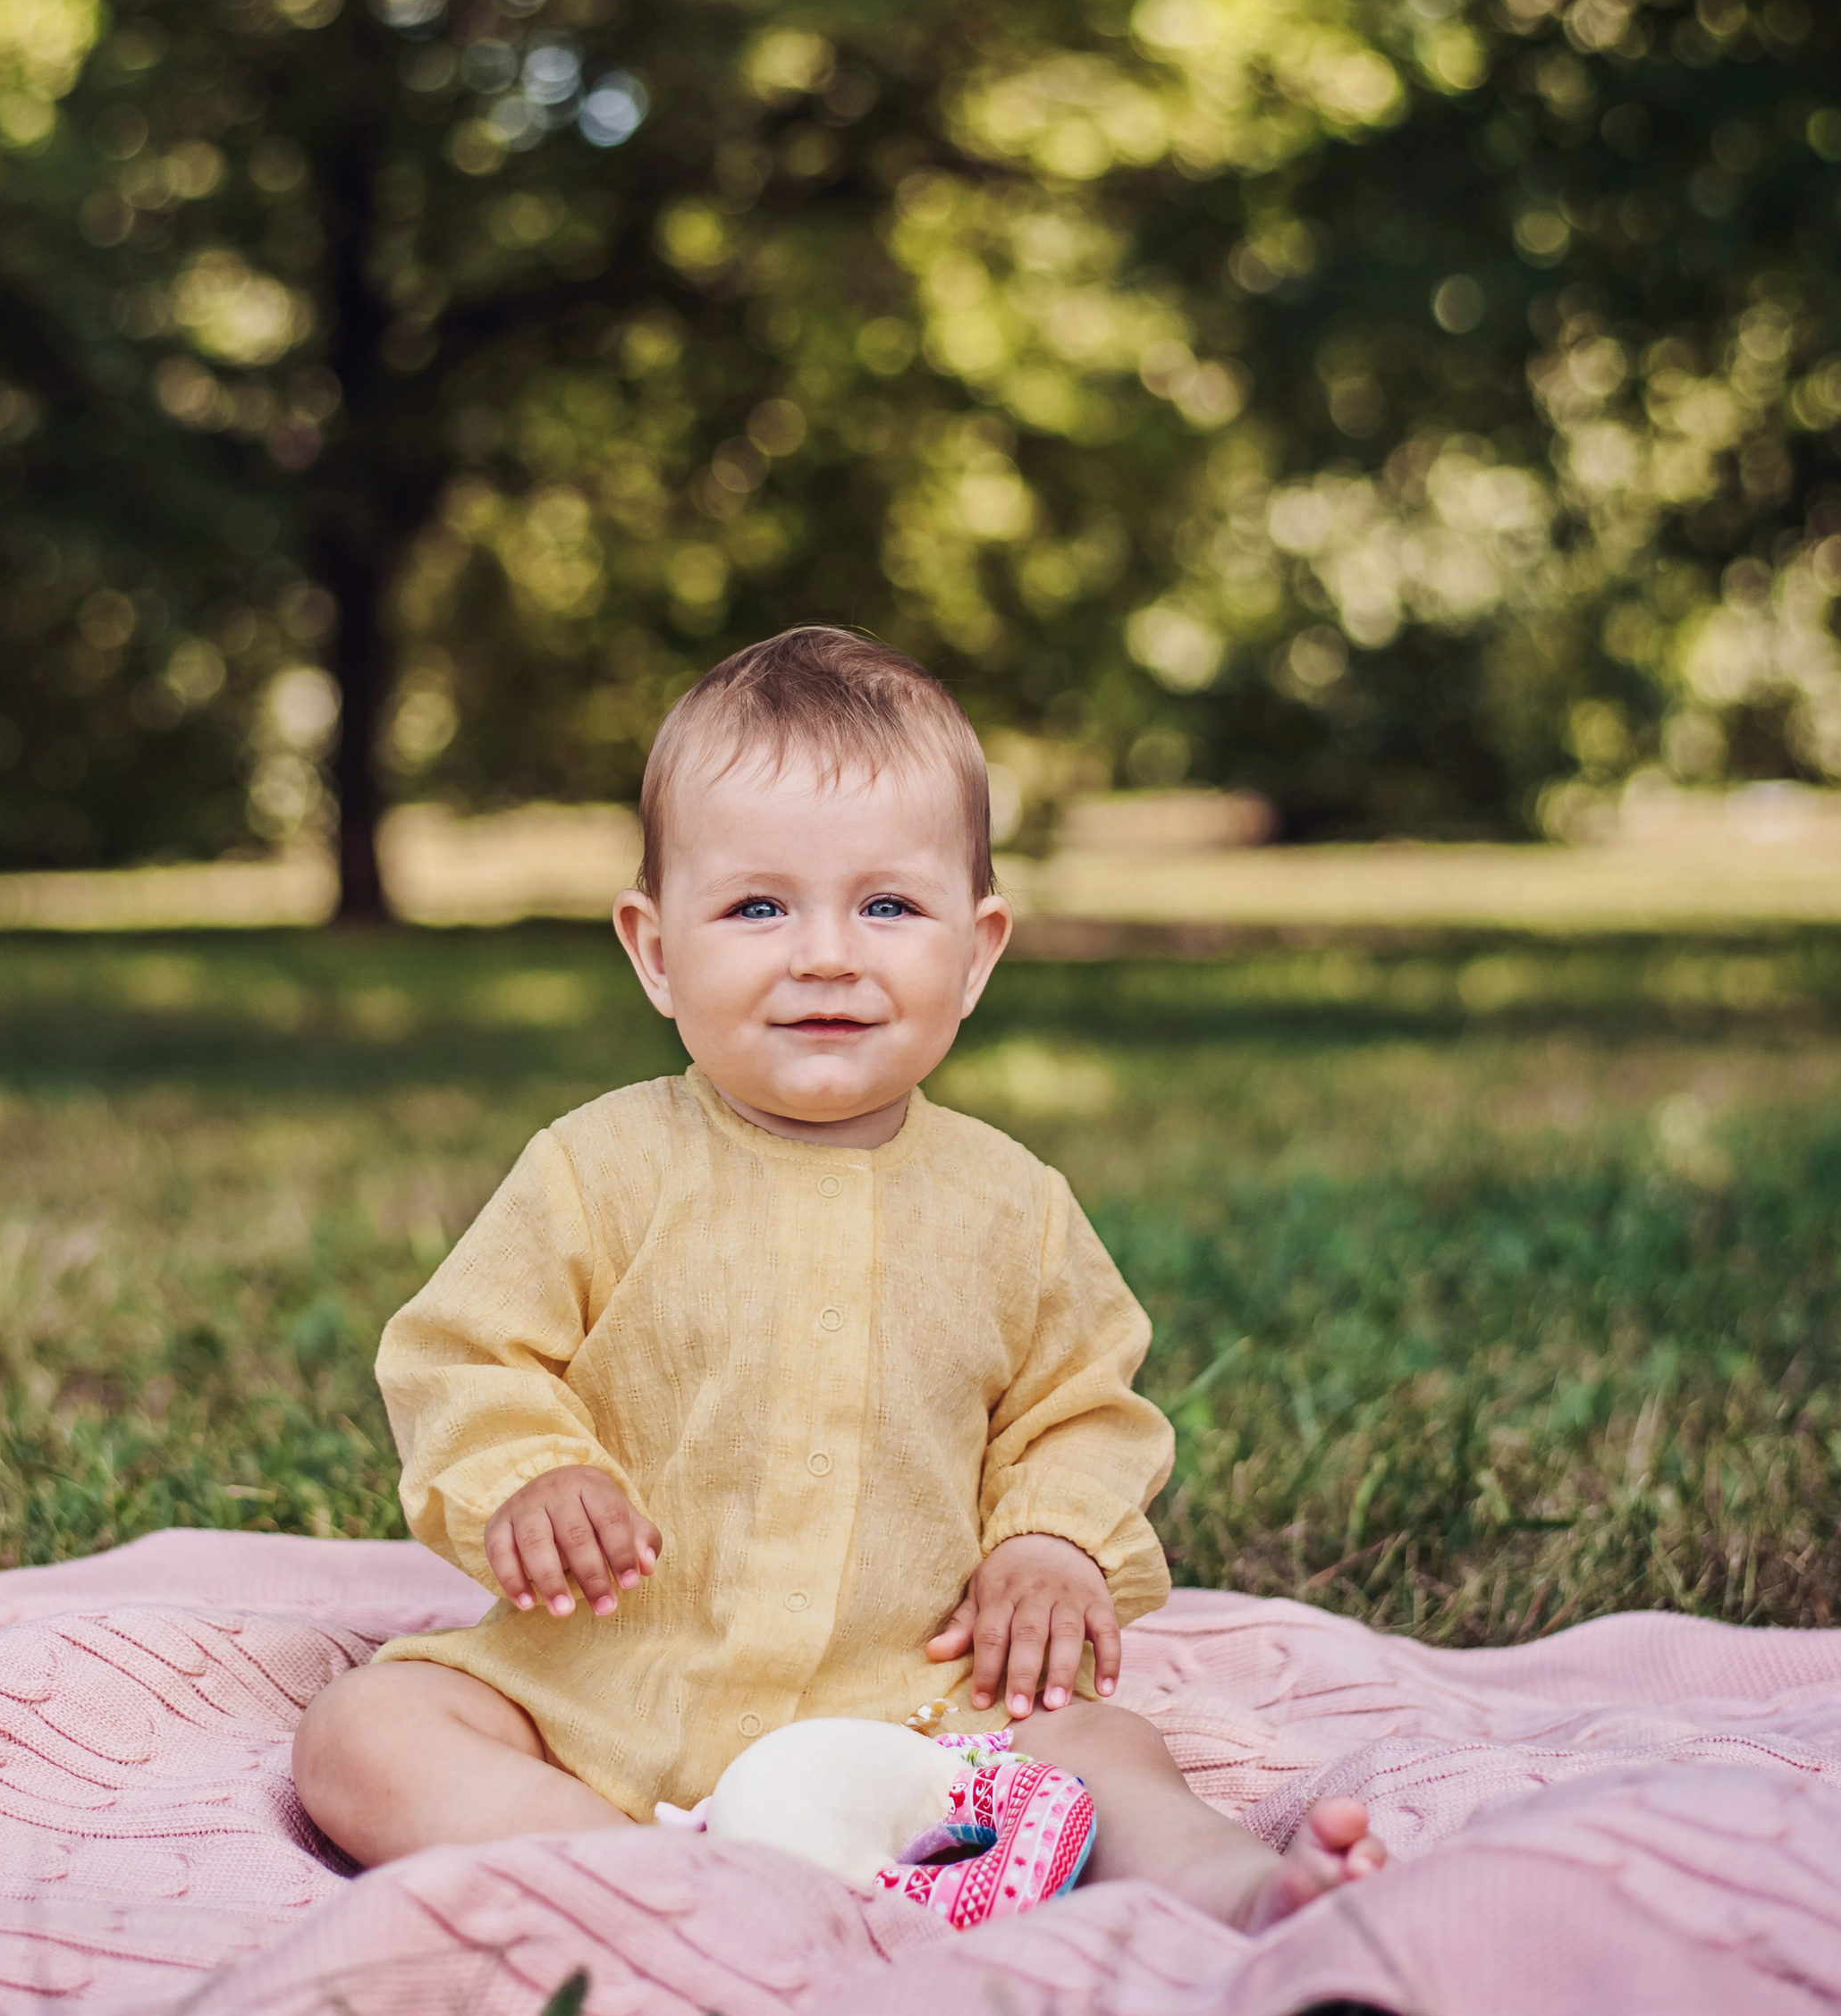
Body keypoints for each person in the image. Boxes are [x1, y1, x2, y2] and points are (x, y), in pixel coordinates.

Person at [293, 628, 1386, 1930]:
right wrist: (529, 1473)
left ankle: (1241, 1888)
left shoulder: (1013, 1206)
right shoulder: (595, 1169)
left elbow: (1079, 1406)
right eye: (758, 905)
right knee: (366, 1732)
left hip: (921, 1715)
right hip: (606, 1695)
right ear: (653, 948)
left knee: (1105, 1746)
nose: (825, 953)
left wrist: (1049, 1539)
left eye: (887, 905)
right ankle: (642, 1878)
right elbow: (465, 1352)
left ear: (976, 951)